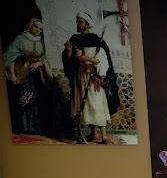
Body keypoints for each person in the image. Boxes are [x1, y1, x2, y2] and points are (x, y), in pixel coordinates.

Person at [61, 11, 119, 144]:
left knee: (97, 103)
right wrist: (69, 51)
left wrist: (88, 60)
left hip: (94, 78)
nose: (77, 24)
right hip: (80, 78)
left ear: (87, 24)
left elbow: (103, 61)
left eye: (80, 22)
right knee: (86, 105)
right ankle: (94, 134)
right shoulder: (74, 39)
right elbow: (68, 60)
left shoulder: (97, 40)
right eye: (77, 21)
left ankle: (104, 136)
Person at [3, 17, 54, 134]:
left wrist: (39, 63)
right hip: (22, 72)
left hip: (37, 75)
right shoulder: (20, 38)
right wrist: (12, 74)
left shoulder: (41, 42)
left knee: (37, 99)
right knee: (23, 99)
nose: (38, 30)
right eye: (36, 27)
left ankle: (36, 128)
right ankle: (23, 127)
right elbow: (10, 55)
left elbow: (44, 57)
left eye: (41, 29)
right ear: (30, 26)